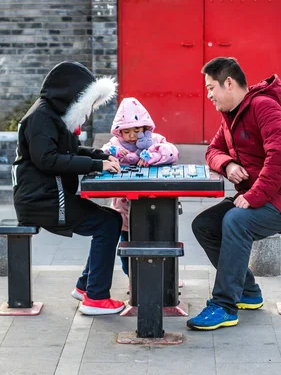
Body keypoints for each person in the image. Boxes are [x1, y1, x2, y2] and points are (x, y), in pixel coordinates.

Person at [187, 57, 281, 331]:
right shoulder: (230, 118)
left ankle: (224, 305)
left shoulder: (264, 107)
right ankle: (247, 291)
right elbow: (212, 151)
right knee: (204, 225)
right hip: (265, 194)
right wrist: (228, 163)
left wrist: (254, 196)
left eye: (212, 87)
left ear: (229, 83)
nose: (209, 95)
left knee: (236, 220)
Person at [12, 61, 126, 315]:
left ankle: (86, 287)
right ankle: (95, 298)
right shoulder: (41, 119)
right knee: (107, 224)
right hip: (43, 202)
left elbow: (68, 151)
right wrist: (97, 164)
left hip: (48, 197)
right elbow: (48, 160)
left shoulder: (50, 114)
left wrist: (100, 155)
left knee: (111, 219)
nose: (88, 113)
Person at [101, 97, 179, 275]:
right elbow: (101, 153)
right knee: (128, 249)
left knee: (159, 242)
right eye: (126, 131)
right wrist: (112, 153)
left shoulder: (155, 140)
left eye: (136, 130)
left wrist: (153, 155)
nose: (131, 136)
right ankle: (133, 279)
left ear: (145, 128)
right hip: (124, 209)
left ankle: (165, 277)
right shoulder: (115, 144)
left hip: (155, 207)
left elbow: (172, 152)